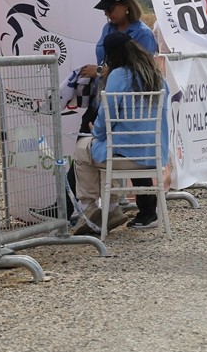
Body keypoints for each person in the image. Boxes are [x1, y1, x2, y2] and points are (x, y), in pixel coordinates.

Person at [71, 31, 170, 232]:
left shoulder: (118, 75)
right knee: (106, 146)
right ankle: (112, 206)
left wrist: (95, 131)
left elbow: (108, 116)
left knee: (83, 149)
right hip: (156, 153)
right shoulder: (157, 77)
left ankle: (90, 209)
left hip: (125, 155)